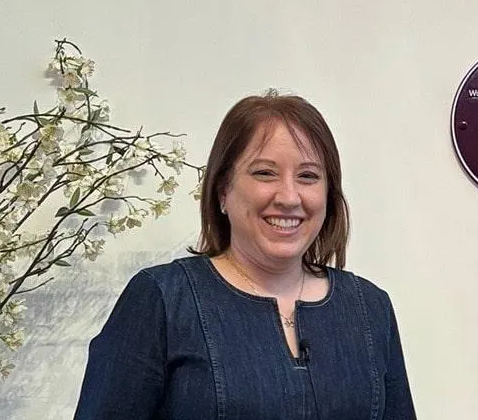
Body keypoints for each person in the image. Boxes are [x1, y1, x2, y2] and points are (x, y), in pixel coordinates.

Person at [74, 90, 415, 419]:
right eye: (265, 173)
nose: (289, 196)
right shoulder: (163, 299)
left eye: (308, 176)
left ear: (329, 193)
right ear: (223, 190)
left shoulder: (370, 309)